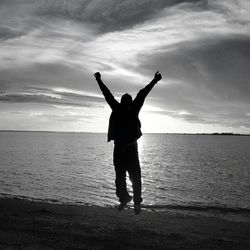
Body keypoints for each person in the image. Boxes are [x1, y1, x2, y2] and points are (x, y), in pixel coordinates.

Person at [94, 71, 162, 214]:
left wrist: (154, 81)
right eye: (125, 101)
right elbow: (107, 94)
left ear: (129, 102)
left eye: (127, 102)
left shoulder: (131, 108)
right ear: (124, 102)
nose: (126, 103)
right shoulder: (118, 108)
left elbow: (143, 93)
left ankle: (136, 203)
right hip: (119, 149)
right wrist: (99, 80)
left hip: (130, 149)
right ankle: (125, 198)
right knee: (121, 178)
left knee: (134, 177)